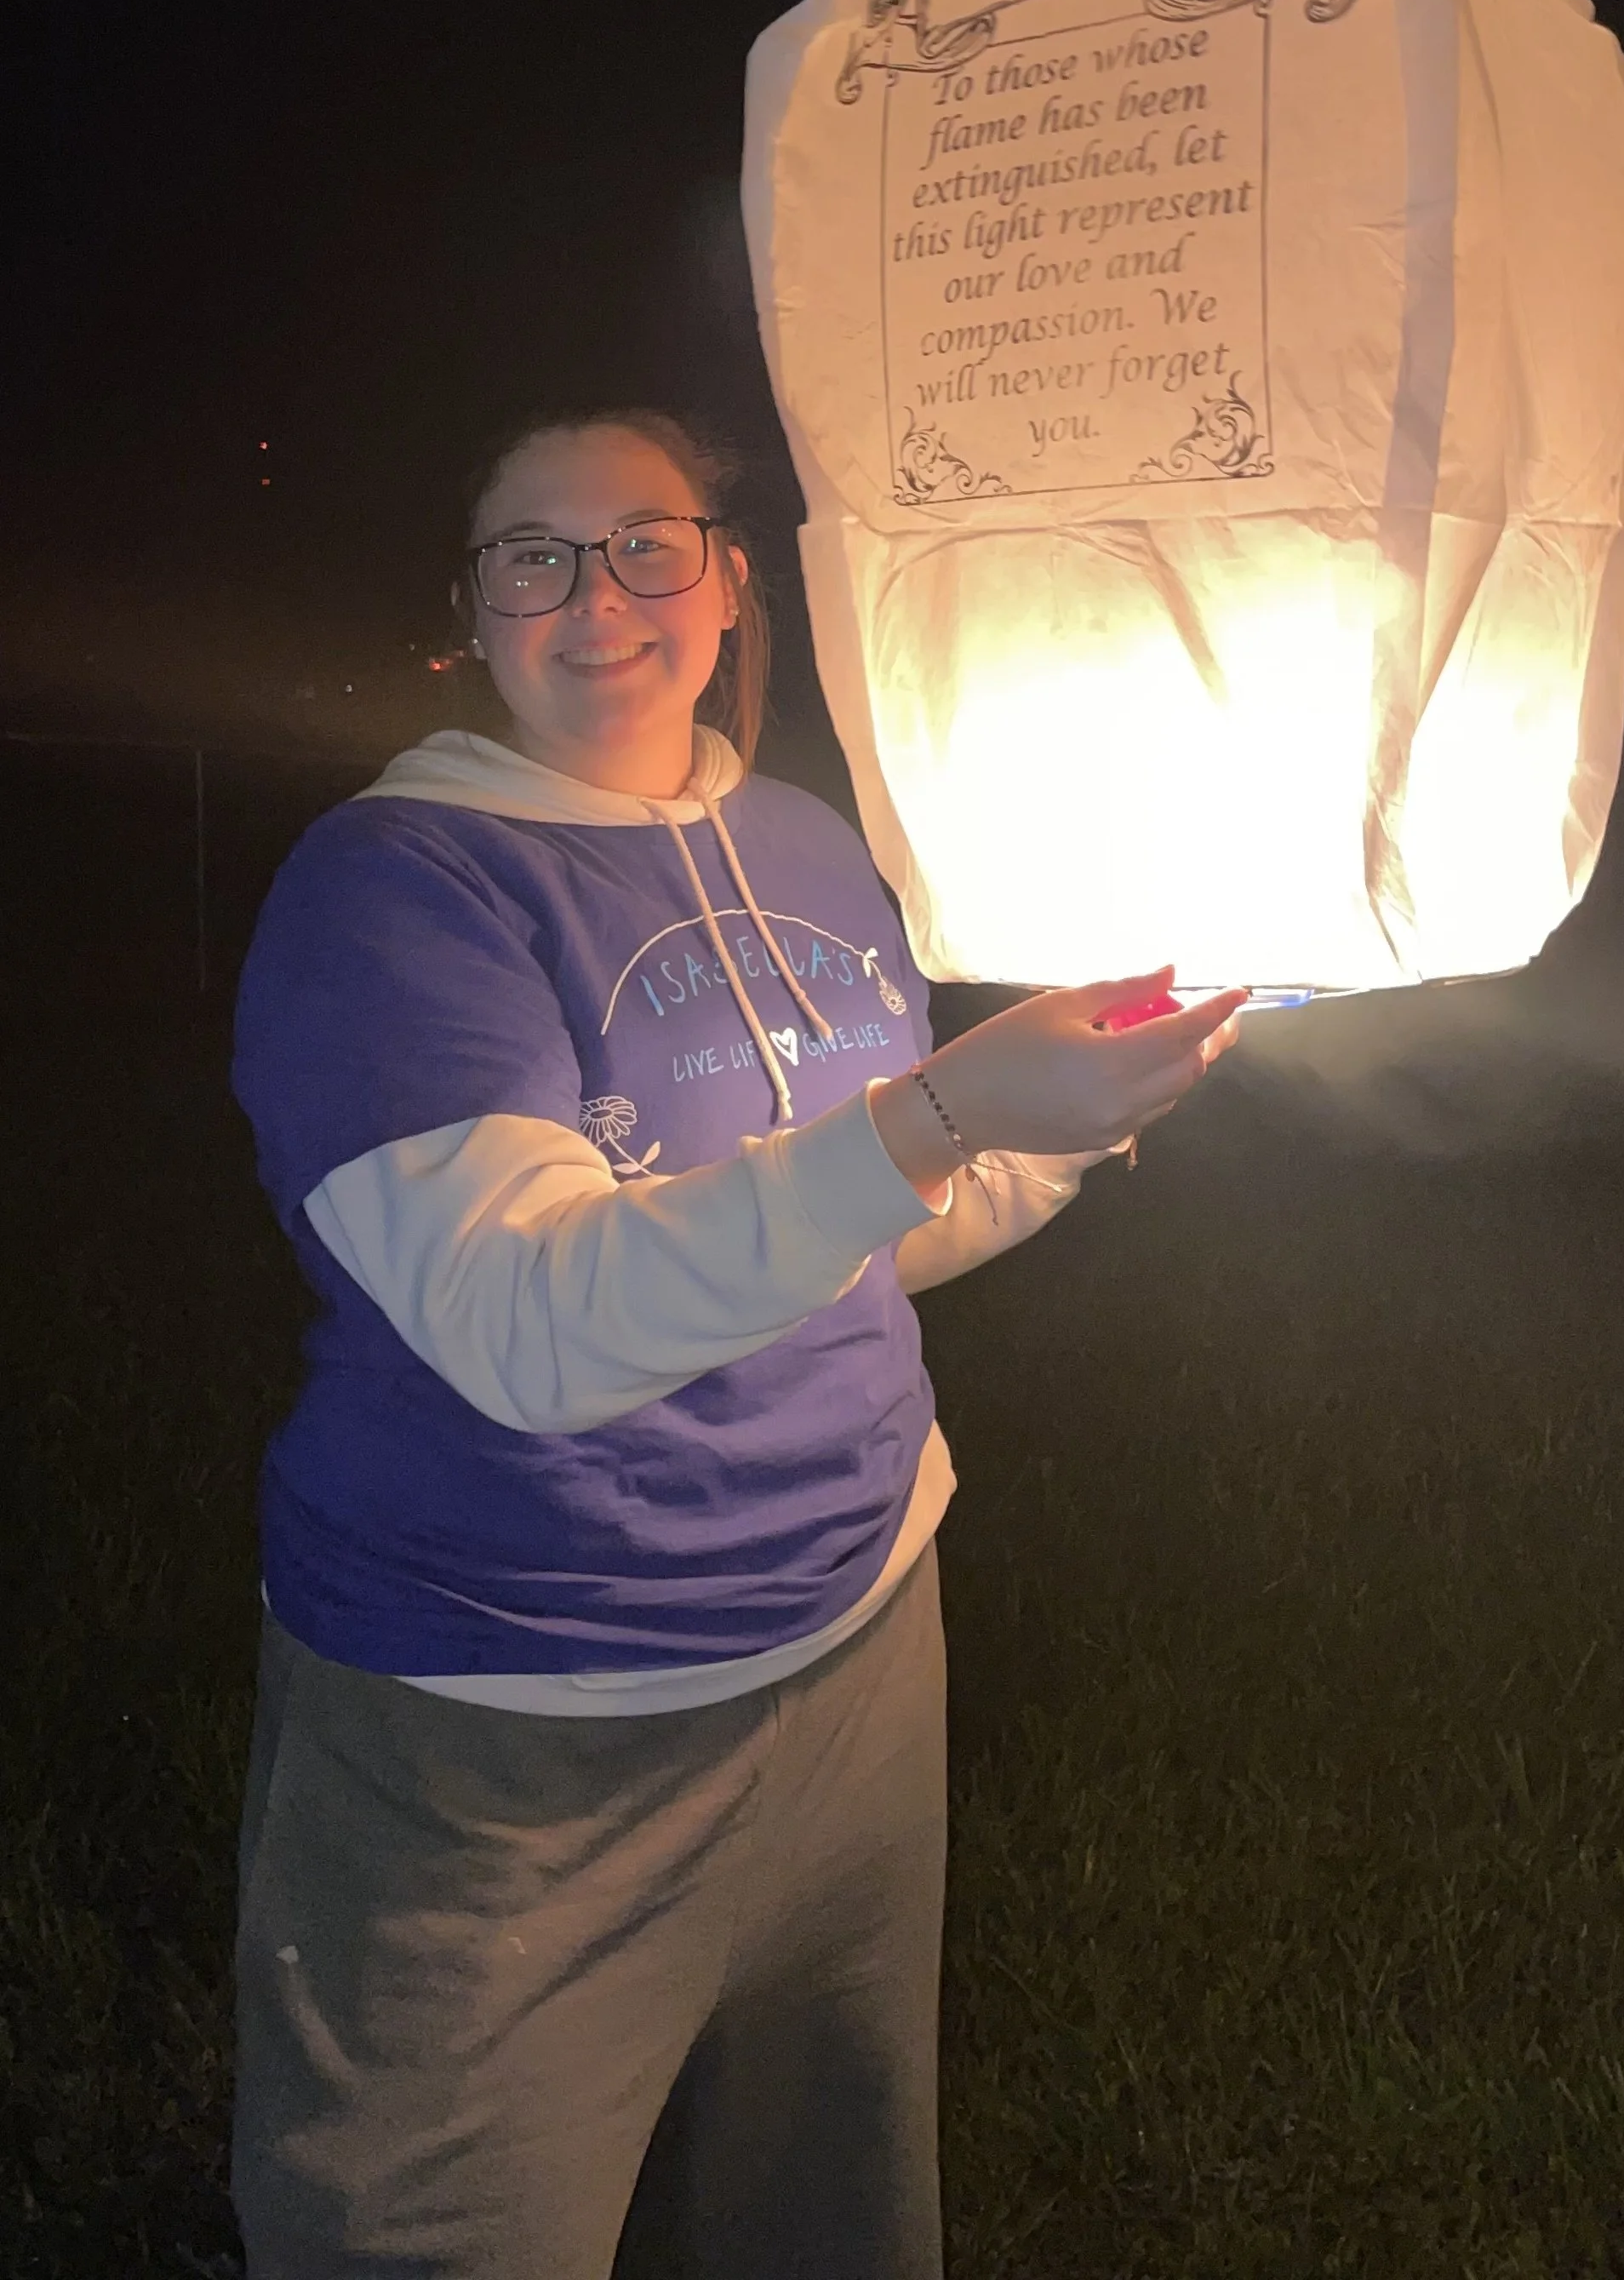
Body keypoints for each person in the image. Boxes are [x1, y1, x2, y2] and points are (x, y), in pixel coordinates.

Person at [229, 405, 1244, 2280]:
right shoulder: (397, 894)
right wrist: (945, 1112)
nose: (595, 597)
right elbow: (529, 1331)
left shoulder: (800, 847)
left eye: (646, 543)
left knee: (823, 2221)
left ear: (730, 579)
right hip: (509, 1734)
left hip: (863, 1660)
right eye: (531, 556)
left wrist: (1081, 1114)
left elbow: (865, 1238)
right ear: (473, 608)